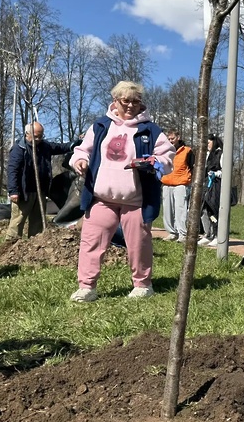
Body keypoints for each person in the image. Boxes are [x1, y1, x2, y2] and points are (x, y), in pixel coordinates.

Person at [68, 81, 175, 302]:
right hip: (101, 198)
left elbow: (168, 156)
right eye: (125, 101)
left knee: (139, 243)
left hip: (136, 199)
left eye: (135, 101)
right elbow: (82, 149)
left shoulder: (151, 130)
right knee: (91, 241)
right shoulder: (100, 126)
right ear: (115, 101)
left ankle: (143, 285)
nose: (130, 105)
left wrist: (155, 162)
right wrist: (79, 160)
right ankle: (87, 287)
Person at [6, 122, 79, 239]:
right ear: (27, 134)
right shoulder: (19, 149)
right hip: (24, 191)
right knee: (18, 219)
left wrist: (75, 144)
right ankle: (11, 243)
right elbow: (12, 171)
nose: (39, 139)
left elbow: (61, 147)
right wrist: (13, 191)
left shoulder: (45, 146)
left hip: (40, 191)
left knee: (38, 219)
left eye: (41, 136)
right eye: (36, 136)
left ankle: (34, 242)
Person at [161, 130, 195, 242]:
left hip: (181, 183)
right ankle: (171, 233)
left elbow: (192, 167)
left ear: (178, 137)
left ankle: (182, 234)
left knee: (181, 210)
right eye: (169, 139)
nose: (171, 141)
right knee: (167, 210)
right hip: (167, 182)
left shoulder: (187, 151)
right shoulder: (164, 151)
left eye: (172, 138)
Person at [198, 134, 223, 247]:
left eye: (208, 143)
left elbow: (226, 171)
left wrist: (216, 174)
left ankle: (218, 236)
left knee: (214, 210)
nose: (206, 145)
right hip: (206, 185)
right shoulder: (208, 155)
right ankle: (208, 234)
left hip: (216, 186)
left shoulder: (221, 154)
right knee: (204, 210)